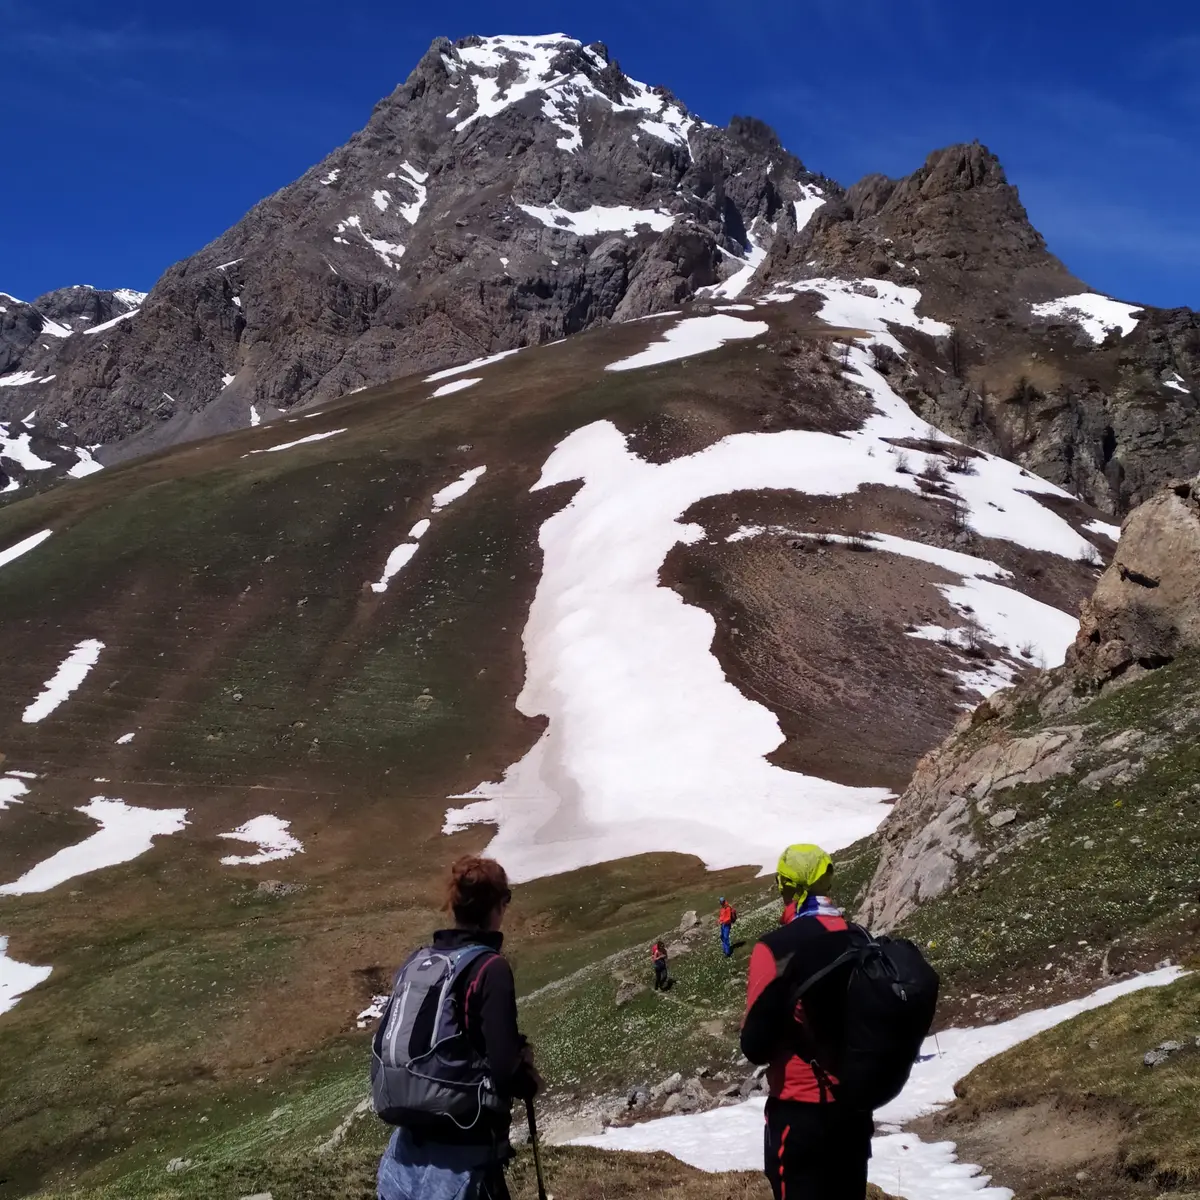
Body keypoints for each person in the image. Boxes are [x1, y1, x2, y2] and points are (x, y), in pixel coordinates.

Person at [375, 855, 542, 1200]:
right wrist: (527, 1078)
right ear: (496, 905)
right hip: (468, 1149)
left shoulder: (420, 960)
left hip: (408, 1149)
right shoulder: (490, 968)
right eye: (506, 900)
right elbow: (503, 1069)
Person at [740, 844, 873, 1200]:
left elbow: (754, 1046)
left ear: (787, 886)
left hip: (798, 1110)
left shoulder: (774, 949)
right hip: (853, 1110)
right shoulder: (859, 936)